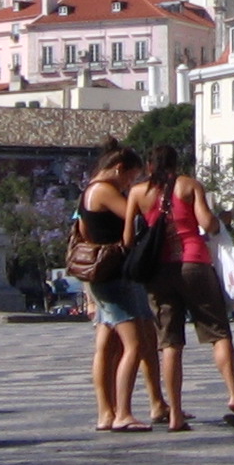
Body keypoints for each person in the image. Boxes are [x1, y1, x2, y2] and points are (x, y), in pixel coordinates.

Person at [129, 144, 234, 432]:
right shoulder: (189, 186)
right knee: (218, 332)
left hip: (158, 271)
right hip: (194, 263)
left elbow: (128, 237)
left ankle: (174, 415)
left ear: (150, 166)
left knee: (170, 343)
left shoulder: (138, 192)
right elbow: (208, 224)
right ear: (177, 164)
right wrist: (223, 218)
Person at [76, 145, 163, 431]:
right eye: (129, 178)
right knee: (133, 343)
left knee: (107, 345)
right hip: (115, 275)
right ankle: (122, 412)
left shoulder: (86, 192)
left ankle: (106, 412)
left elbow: (86, 233)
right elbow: (134, 216)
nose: (129, 185)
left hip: (101, 276)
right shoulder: (103, 190)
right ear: (118, 168)